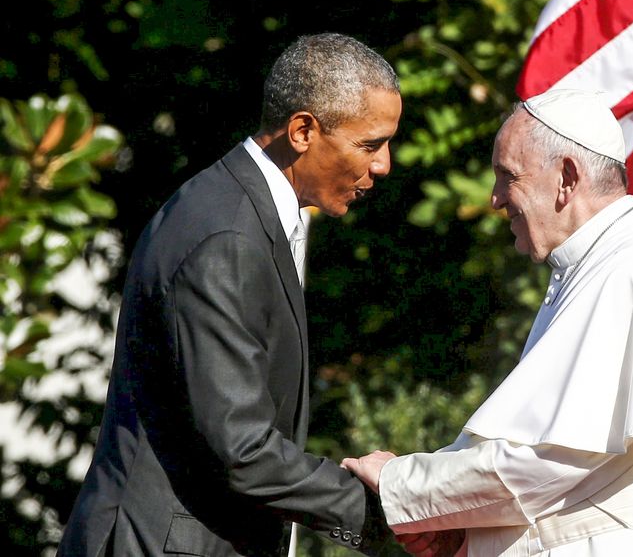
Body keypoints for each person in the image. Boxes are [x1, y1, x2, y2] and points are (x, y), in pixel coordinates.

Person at [342, 88, 633, 557]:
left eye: (508, 177)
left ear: (566, 179)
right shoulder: (600, 266)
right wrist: (450, 522)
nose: (495, 200)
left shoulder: (631, 270)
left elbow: (549, 462)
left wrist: (404, 484)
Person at [60, 33, 403, 557]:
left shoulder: (237, 209)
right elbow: (243, 450)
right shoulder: (227, 237)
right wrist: (397, 510)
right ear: (303, 130)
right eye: (370, 144)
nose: (383, 166)